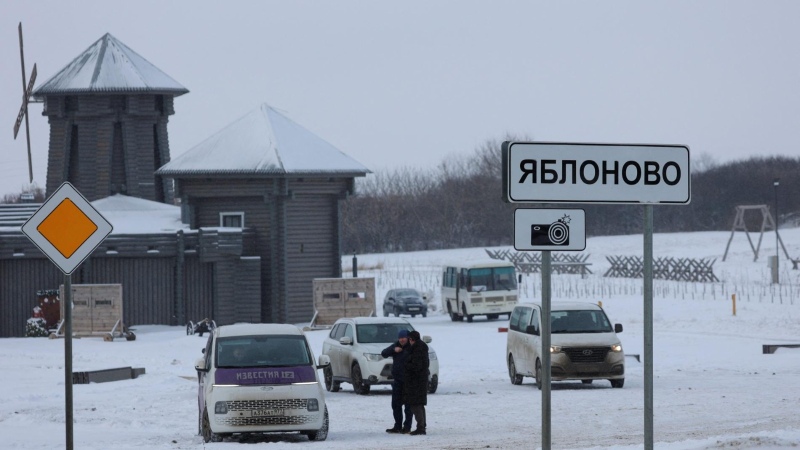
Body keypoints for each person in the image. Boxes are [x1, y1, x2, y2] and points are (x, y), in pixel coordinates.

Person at [381, 329, 413, 434]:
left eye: (404, 337)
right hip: (397, 380)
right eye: (400, 338)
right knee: (395, 404)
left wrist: (403, 351)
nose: (402, 340)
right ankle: (397, 426)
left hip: (409, 381)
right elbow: (384, 353)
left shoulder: (412, 347)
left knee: (408, 406)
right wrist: (394, 350)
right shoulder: (396, 345)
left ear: (408, 338)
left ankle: (407, 427)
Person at [403, 330, 430, 435]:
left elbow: (416, 366)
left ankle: (421, 428)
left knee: (415, 404)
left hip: (416, 381)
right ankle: (422, 426)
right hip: (420, 380)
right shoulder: (420, 347)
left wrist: (406, 366)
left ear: (411, 339)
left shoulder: (417, 349)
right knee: (419, 404)